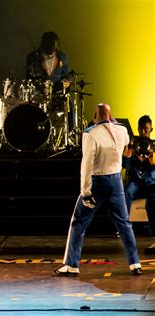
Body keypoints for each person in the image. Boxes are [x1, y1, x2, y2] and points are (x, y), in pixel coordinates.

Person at [54, 104, 142, 276]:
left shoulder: (90, 134)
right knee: (124, 223)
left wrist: (86, 192)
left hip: (97, 182)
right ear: (111, 115)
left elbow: (86, 164)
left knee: (79, 222)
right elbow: (126, 141)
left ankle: (72, 265)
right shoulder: (122, 130)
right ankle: (135, 263)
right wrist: (113, 122)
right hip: (116, 181)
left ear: (95, 116)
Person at [122, 115, 155, 252]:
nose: (143, 132)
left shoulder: (154, 145)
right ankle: (124, 229)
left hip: (150, 183)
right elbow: (125, 165)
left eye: (146, 129)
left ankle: (154, 236)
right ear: (137, 128)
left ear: (151, 129)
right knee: (126, 193)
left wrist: (151, 158)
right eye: (141, 129)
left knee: (153, 201)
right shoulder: (132, 143)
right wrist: (127, 155)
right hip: (135, 182)